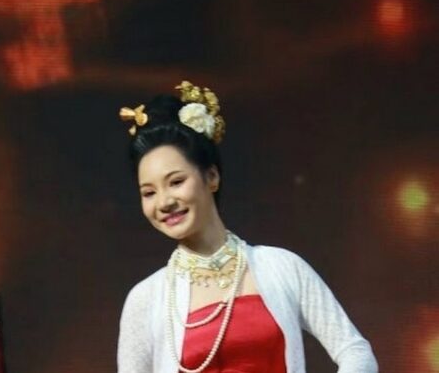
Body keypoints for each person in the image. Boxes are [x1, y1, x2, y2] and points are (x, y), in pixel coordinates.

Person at [116, 81, 378, 373]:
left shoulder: (281, 267)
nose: (164, 202)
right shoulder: (147, 299)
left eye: (176, 182)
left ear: (211, 177)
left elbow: (356, 352)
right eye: (149, 192)